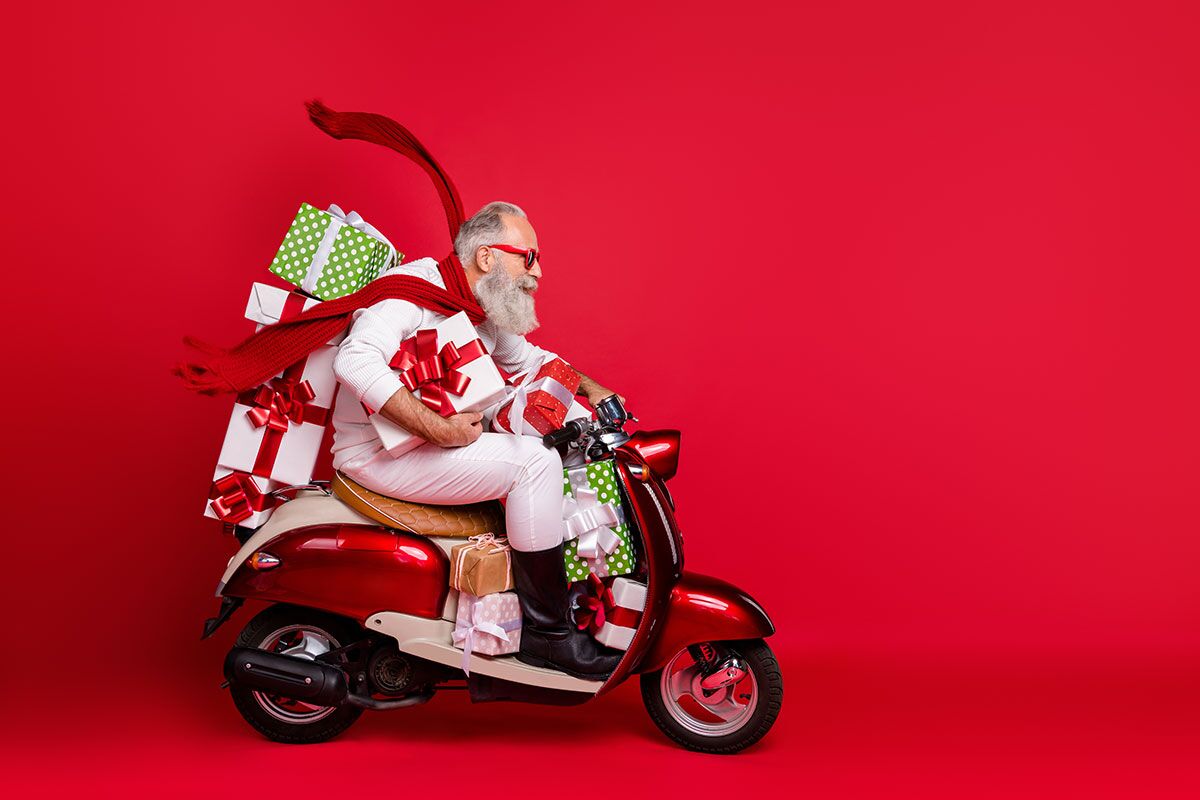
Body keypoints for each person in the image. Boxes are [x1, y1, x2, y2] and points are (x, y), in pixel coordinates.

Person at [330, 201, 625, 680]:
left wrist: (596, 390)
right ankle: (547, 636)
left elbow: (529, 362)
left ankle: (566, 602)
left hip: (430, 448)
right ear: (487, 258)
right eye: (528, 257)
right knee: (534, 462)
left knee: (561, 444)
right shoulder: (411, 294)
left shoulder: (479, 304)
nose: (539, 271)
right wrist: (441, 429)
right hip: (376, 455)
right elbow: (355, 362)